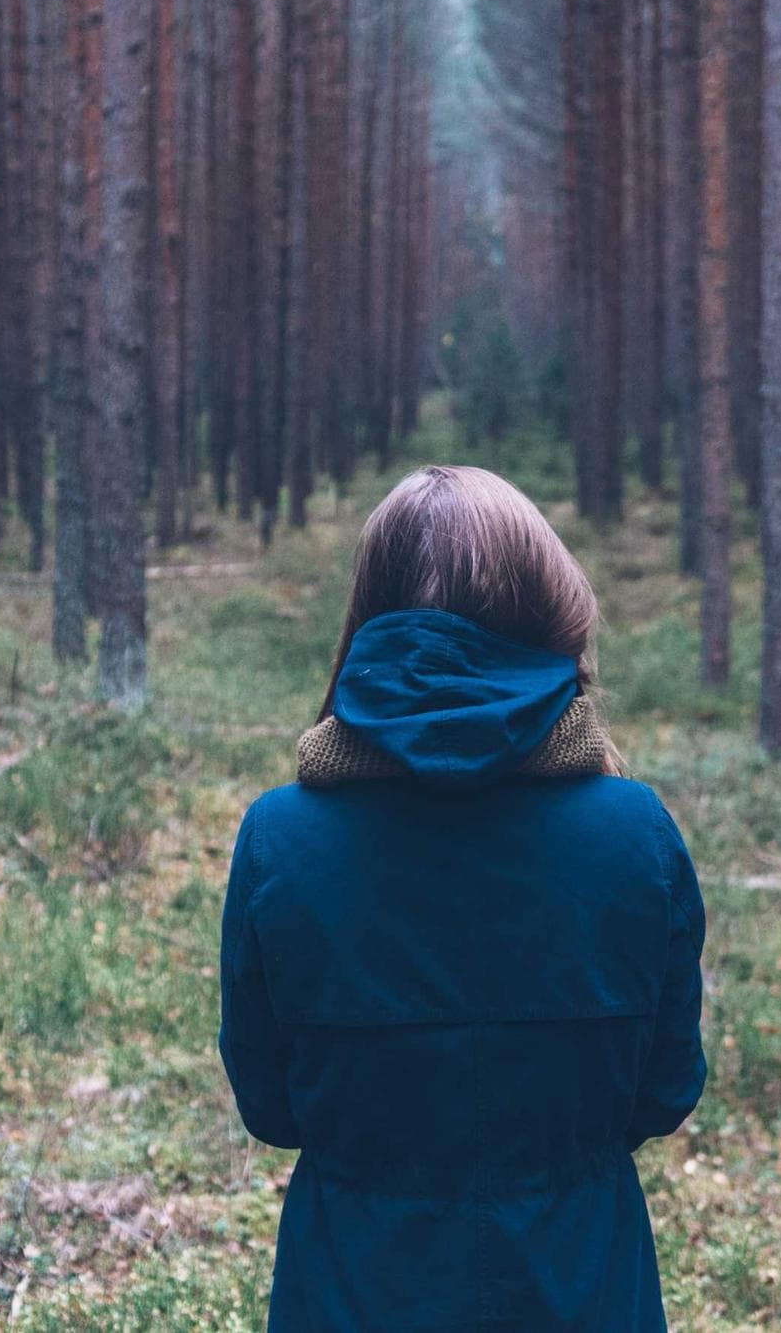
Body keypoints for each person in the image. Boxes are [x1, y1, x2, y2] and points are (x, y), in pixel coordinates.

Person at [219, 464, 707, 1333]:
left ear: (368, 614)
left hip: (353, 1293)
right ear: (547, 611)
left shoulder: (280, 838)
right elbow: (664, 1094)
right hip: (583, 1288)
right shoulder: (637, 833)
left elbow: (271, 1109)